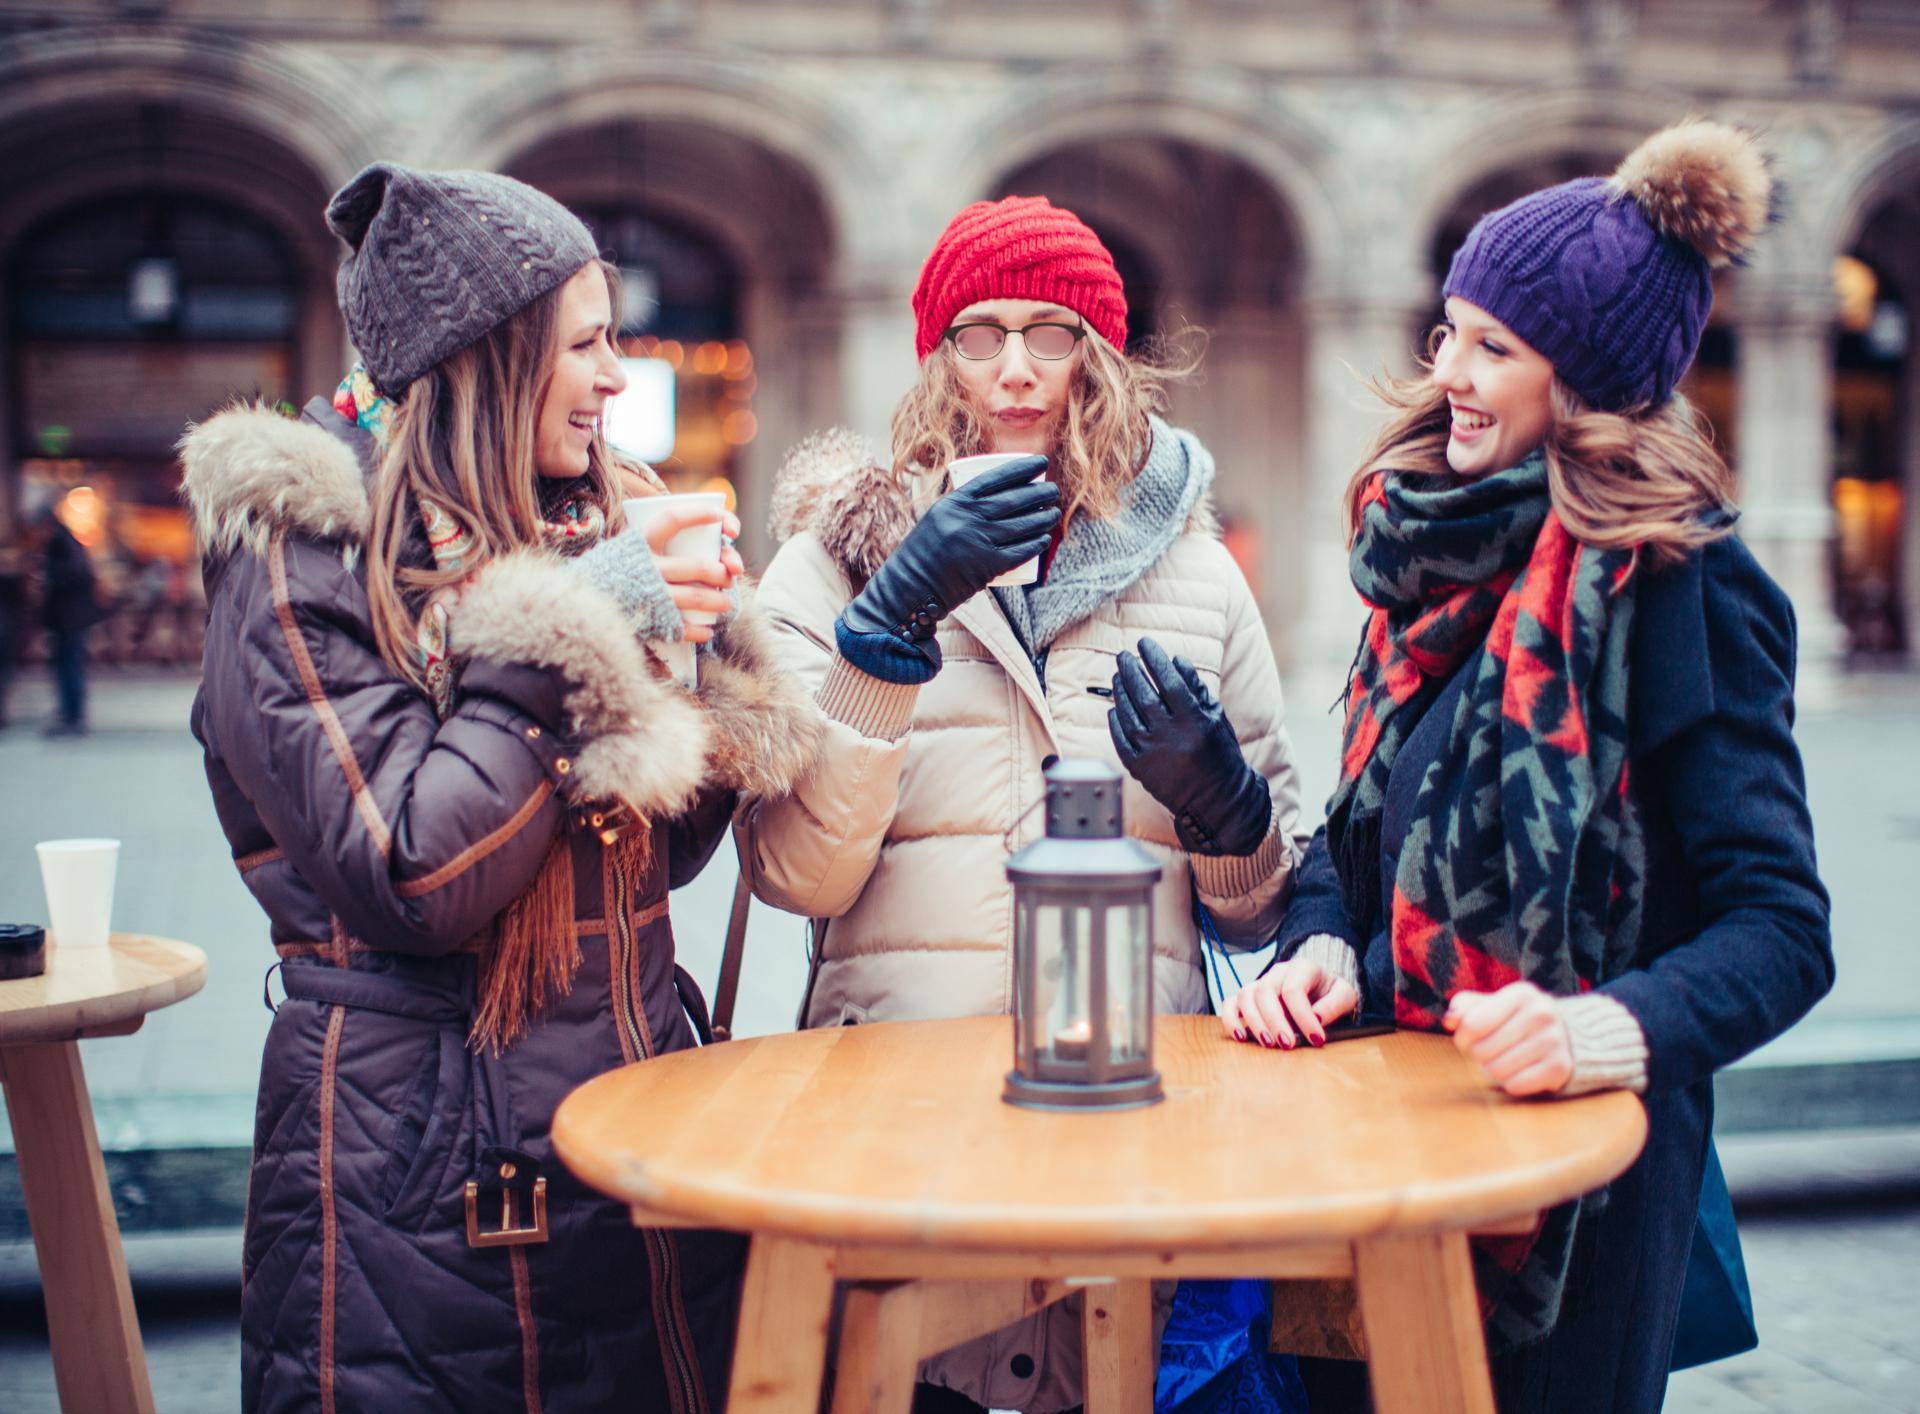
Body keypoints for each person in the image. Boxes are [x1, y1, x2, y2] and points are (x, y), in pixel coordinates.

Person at [182, 162, 820, 1414]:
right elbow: (419, 871)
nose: (616, 377)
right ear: (489, 357)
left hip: (625, 1136)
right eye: (585, 345)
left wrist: (692, 661)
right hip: (415, 1184)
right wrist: (589, 623)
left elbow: (652, 854)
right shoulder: (298, 559)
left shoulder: (574, 527)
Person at [1220, 120, 1834, 1411]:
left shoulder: (1686, 588)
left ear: (1591, 381)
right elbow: (1352, 837)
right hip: (1382, 1150)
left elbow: (1781, 929)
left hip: (1578, 1194)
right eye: (1449, 329)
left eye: (1495, 344)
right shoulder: (1425, 558)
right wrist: (1322, 945)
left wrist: (1595, 1030)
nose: (1449, 367)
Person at [741, 194, 1309, 1413]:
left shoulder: (1198, 576)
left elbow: (1272, 914)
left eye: (1048, 334)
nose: (1012, 369)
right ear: (936, 356)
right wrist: (885, 631)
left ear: (1098, 357)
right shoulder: (827, 566)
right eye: (977, 332)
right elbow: (795, 873)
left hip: (1130, 1131)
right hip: (898, 1130)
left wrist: (1225, 808)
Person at [40, 503, 104, 735]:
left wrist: (50, 579)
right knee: (69, 664)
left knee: (69, 665)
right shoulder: (67, 539)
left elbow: (75, 574)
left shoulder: (59, 542)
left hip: (68, 617)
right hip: (71, 616)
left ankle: (72, 715)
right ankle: (71, 713)